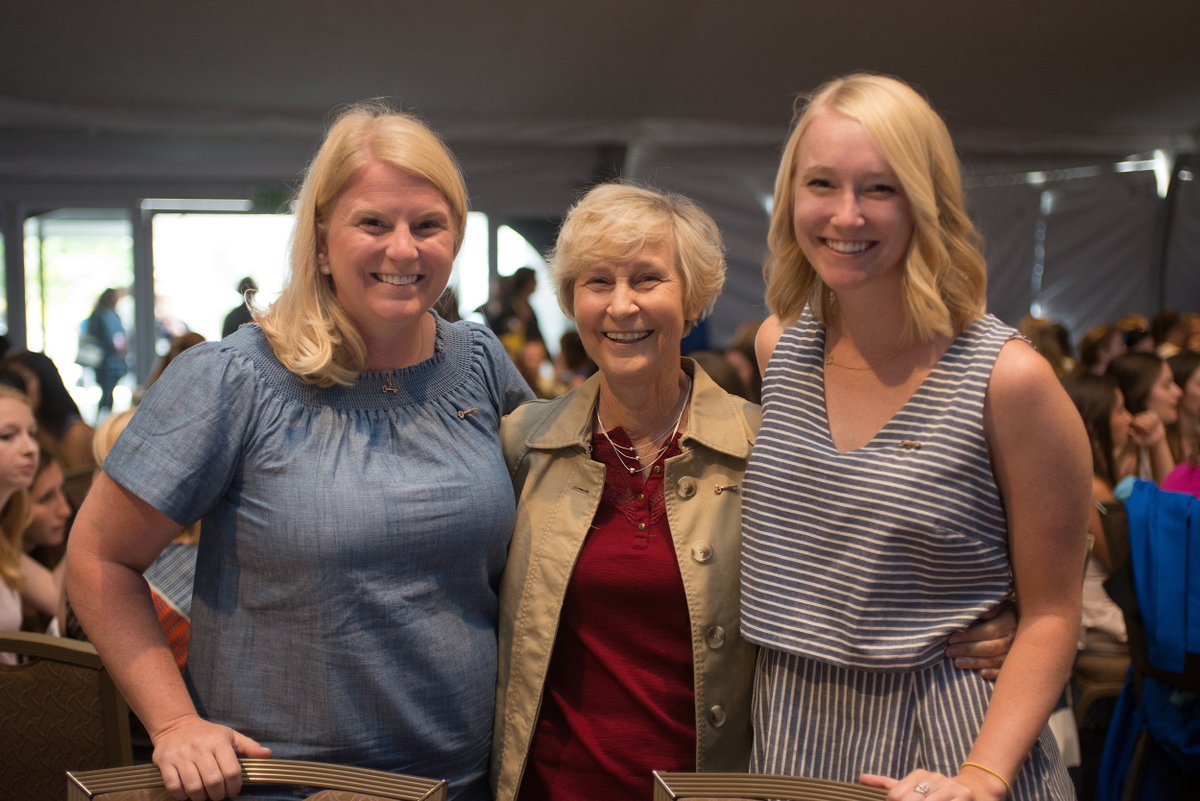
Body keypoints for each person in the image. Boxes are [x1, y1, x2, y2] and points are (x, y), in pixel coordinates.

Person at [67, 103, 533, 801]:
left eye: (427, 225)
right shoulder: (235, 378)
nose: (403, 249)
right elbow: (98, 558)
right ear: (320, 241)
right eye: (373, 223)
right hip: (284, 783)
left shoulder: (480, 364)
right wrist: (173, 721)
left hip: (465, 780)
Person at [492, 182, 1014, 801]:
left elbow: (875, 554)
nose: (622, 305)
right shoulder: (525, 446)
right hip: (551, 788)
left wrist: (1004, 613)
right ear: (572, 301)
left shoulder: (767, 448)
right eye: (597, 282)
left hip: (714, 788)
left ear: (693, 301)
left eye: (648, 279)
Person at [742, 74, 1090, 799]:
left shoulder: (1007, 379)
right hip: (795, 733)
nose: (846, 215)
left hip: (950, 748)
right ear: (790, 197)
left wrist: (983, 776)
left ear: (925, 200)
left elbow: (1056, 611)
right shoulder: (780, 348)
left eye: (881, 188)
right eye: (822, 184)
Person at [0, 387, 61, 651]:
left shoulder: (4, 539)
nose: (30, 449)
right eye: (8, 436)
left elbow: (56, 596)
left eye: (32, 434)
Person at [5, 350, 96, 470]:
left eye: (22, 381)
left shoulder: (76, 434)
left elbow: (78, 485)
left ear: (44, 381)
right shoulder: (29, 426)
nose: (17, 388)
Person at [1106, 351, 1180, 484]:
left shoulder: (1161, 435)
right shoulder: (1123, 455)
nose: (1178, 392)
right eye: (1166, 385)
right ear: (1139, 392)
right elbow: (1169, 500)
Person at [85, 287, 129, 416]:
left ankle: (105, 417)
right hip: (104, 360)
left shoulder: (113, 314)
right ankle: (103, 418)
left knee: (109, 390)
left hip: (115, 359)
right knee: (106, 390)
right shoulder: (99, 315)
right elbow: (96, 337)